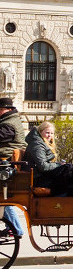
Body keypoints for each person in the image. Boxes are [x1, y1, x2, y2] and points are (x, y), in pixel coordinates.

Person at [24, 121, 73, 196]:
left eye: (51, 133)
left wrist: (59, 165)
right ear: (40, 132)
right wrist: (58, 165)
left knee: (70, 170)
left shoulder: (42, 143)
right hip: (37, 179)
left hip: (41, 175)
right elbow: (43, 166)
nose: (49, 135)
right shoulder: (37, 145)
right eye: (47, 133)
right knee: (67, 171)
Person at [0, 97, 26, 238]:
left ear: (6, 109)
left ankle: (16, 228)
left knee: (4, 199)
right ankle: (14, 227)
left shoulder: (8, 124)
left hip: (6, 164)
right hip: (6, 163)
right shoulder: (9, 121)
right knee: (4, 199)